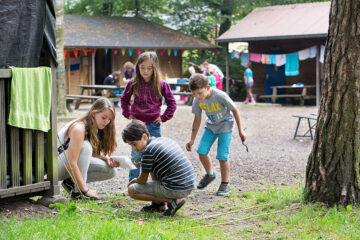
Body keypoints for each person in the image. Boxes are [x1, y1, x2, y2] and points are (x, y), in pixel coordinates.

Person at [186, 74, 246, 196]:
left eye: (200, 93)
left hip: (225, 126)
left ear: (207, 88)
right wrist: (192, 139)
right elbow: (197, 119)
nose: (197, 97)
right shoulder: (197, 100)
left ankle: (225, 184)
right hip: (211, 126)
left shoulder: (220, 95)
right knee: (201, 151)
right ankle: (210, 174)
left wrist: (241, 130)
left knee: (222, 156)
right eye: (194, 94)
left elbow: (235, 110)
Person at [121, 51, 177, 182]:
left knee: (156, 154)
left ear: (154, 68)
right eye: (142, 68)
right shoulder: (133, 83)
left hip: (153, 125)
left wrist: (164, 117)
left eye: (149, 68)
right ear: (138, 67)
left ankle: (157, 183)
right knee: (136, 156)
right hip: (136, 126)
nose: (145, 71)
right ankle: (132, 184)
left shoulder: (162, 84)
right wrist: (127, 114)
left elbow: (172, 103)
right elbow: (124, 100)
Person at [123, 120, 195, 217]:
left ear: (144, 136)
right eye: (131, 145)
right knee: (153, 169)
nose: (134, 148)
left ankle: (173, 201)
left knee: (132, 190)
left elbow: (143, 180)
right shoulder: (163, 140)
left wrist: (134, 181)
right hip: (188, 184)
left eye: (134, 144)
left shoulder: (148, 151)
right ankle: (158, 205)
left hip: (177, 187)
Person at [57, 97, 120, 200]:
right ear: (94, 113)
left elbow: (83, 155)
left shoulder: (94, 126)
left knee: (110, 171)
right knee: (86, 147)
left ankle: (71, 183)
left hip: (66, 163)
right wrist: (86, 190)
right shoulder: (79, 128)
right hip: (55, 167)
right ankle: (80, 193)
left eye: (109, 119)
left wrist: (105, 157)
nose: (106, 122)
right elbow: (71, 163)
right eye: (104, 118)